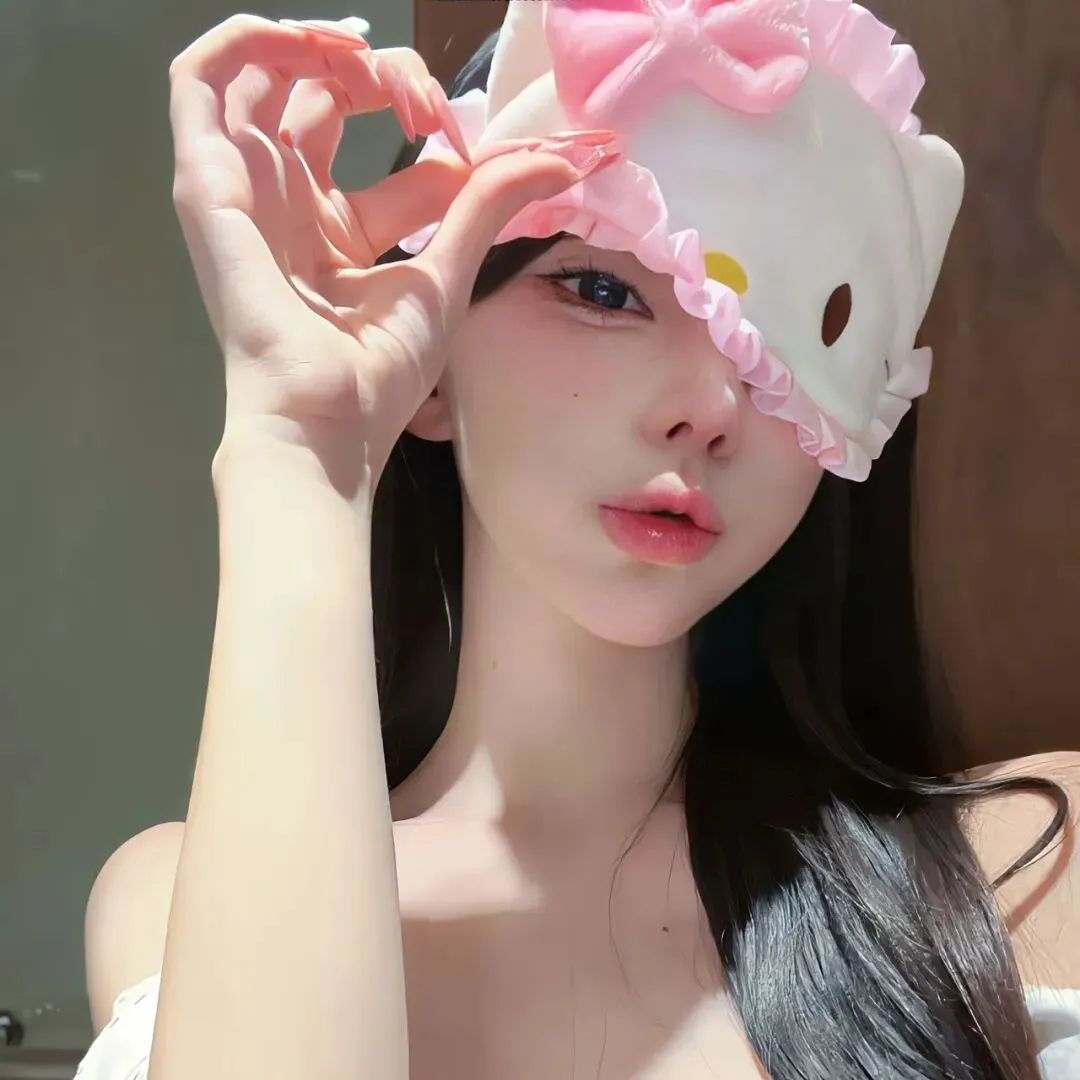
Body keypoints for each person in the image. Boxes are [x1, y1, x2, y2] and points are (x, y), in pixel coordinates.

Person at [77, 4, 1080, 1079]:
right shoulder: (168, 900)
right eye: (602, 288)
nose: (711, 407)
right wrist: (299, 448)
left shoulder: (1031, 880)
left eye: (790, 340)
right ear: (434, 359)